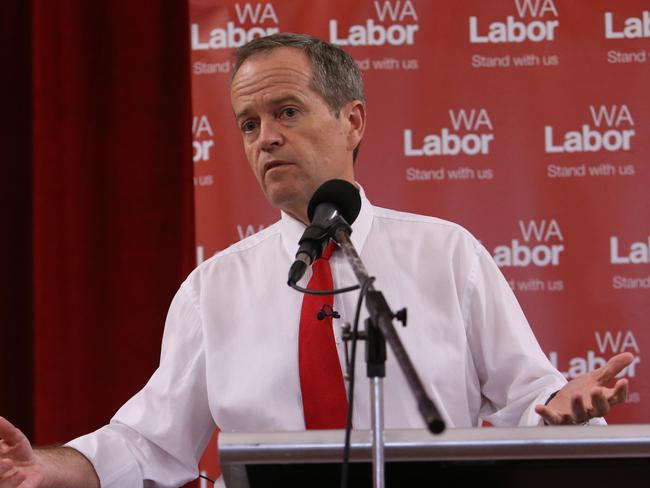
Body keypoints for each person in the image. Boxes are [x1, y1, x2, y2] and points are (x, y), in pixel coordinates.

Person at [0, 33, 633, 488]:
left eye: (287, 112)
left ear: (352, 119)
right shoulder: (213, 289)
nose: (265, 137)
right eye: (248, 124)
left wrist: (559, 406)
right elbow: (147, 443)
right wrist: (45, 468)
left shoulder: (446, 254)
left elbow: (531, 394)